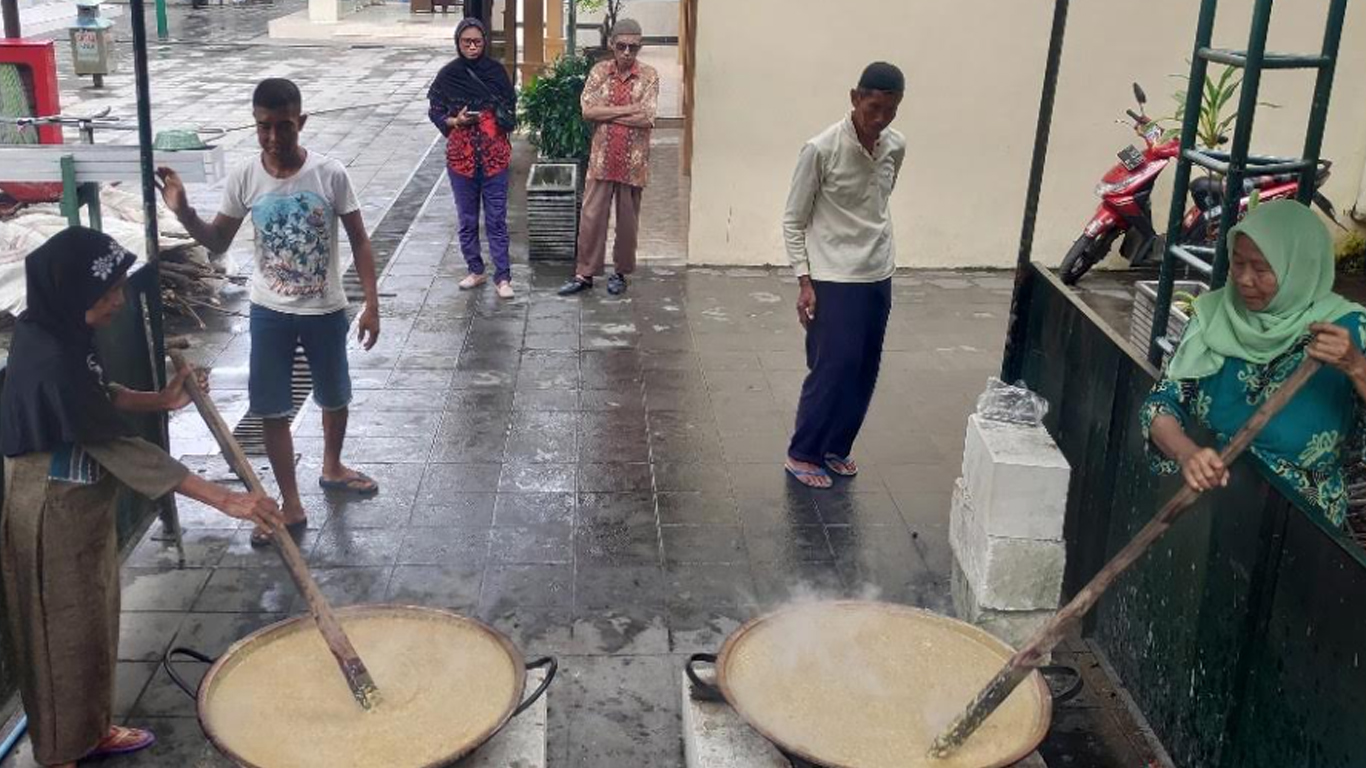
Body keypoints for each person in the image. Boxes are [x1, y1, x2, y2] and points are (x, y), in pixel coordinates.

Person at [0, 228, 282, 768]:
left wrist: (162, 398)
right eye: (107, 293)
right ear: (76, 294)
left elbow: (99, 395)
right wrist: (226, 500)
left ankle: (92, 728)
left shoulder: (62, 331)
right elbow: (119, 447)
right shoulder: (49, 354)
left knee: (92, 620)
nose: (118, 301)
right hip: (49, 508)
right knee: (57, 634)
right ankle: (61, 752)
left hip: (81, 503)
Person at [157, 77, 382, 546]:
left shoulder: (330, 174)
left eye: (284, 127)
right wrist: (183, 212)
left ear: (301, 122)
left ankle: (333, 466)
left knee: (335, 396)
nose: (275, 138)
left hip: (325, 309)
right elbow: (217, 240)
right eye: (264, 128)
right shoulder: (245, 177)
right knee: (272, 408)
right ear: (255, 124)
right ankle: (291, 501)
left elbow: (360, 239)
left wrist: (371, 305)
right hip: (270, 312)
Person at [1143, 200, 1366, 527]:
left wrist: (1356, 367)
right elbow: (1160, 404)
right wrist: (1187, 454)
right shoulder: (1214, 316)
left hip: (1299, 520)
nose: (1245, 280)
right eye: (1238, 262)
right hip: (1212, 503)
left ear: (1300, 267)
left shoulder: (1348, 329)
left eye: (1261, 269)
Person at [780, 62, 907, 489]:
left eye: (890, 110)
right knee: (833, 365)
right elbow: (794, 220)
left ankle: (836, 447)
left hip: (878, 272)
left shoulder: (896, 146)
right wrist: (804, 280)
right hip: (833, 275)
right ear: (854, 98)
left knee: (865, 367)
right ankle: (803, 452)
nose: (880, 119)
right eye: (873, 107)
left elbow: (879, 202)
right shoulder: (820, 149)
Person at [557, 18, 660, 297]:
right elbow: (588, 111)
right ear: (612, 45)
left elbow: (647, 116)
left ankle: (620, 273)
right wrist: (628, 110)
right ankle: (585, 273)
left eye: (633, 48)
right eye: (622, 46)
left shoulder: (649, 76)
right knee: (591, 217)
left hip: (633, 162)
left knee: (627, 223)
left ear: (640, 47)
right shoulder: (599, 71)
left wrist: (609, 111)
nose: (627, 52)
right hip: (601, 159)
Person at [429, 17, 517, 299]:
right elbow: (435, 110)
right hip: (461, 158)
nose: (472, 46)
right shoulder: (448, 75)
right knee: (467, 218)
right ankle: (475, 269)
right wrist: (456, 121)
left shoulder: (496, 72)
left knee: (496, 218)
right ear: (458, 43)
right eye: (466, 42)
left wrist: (494, 116)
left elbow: (510, 105)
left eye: (477, 41)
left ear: (485, 42)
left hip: (494, 156)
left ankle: (503, 277)